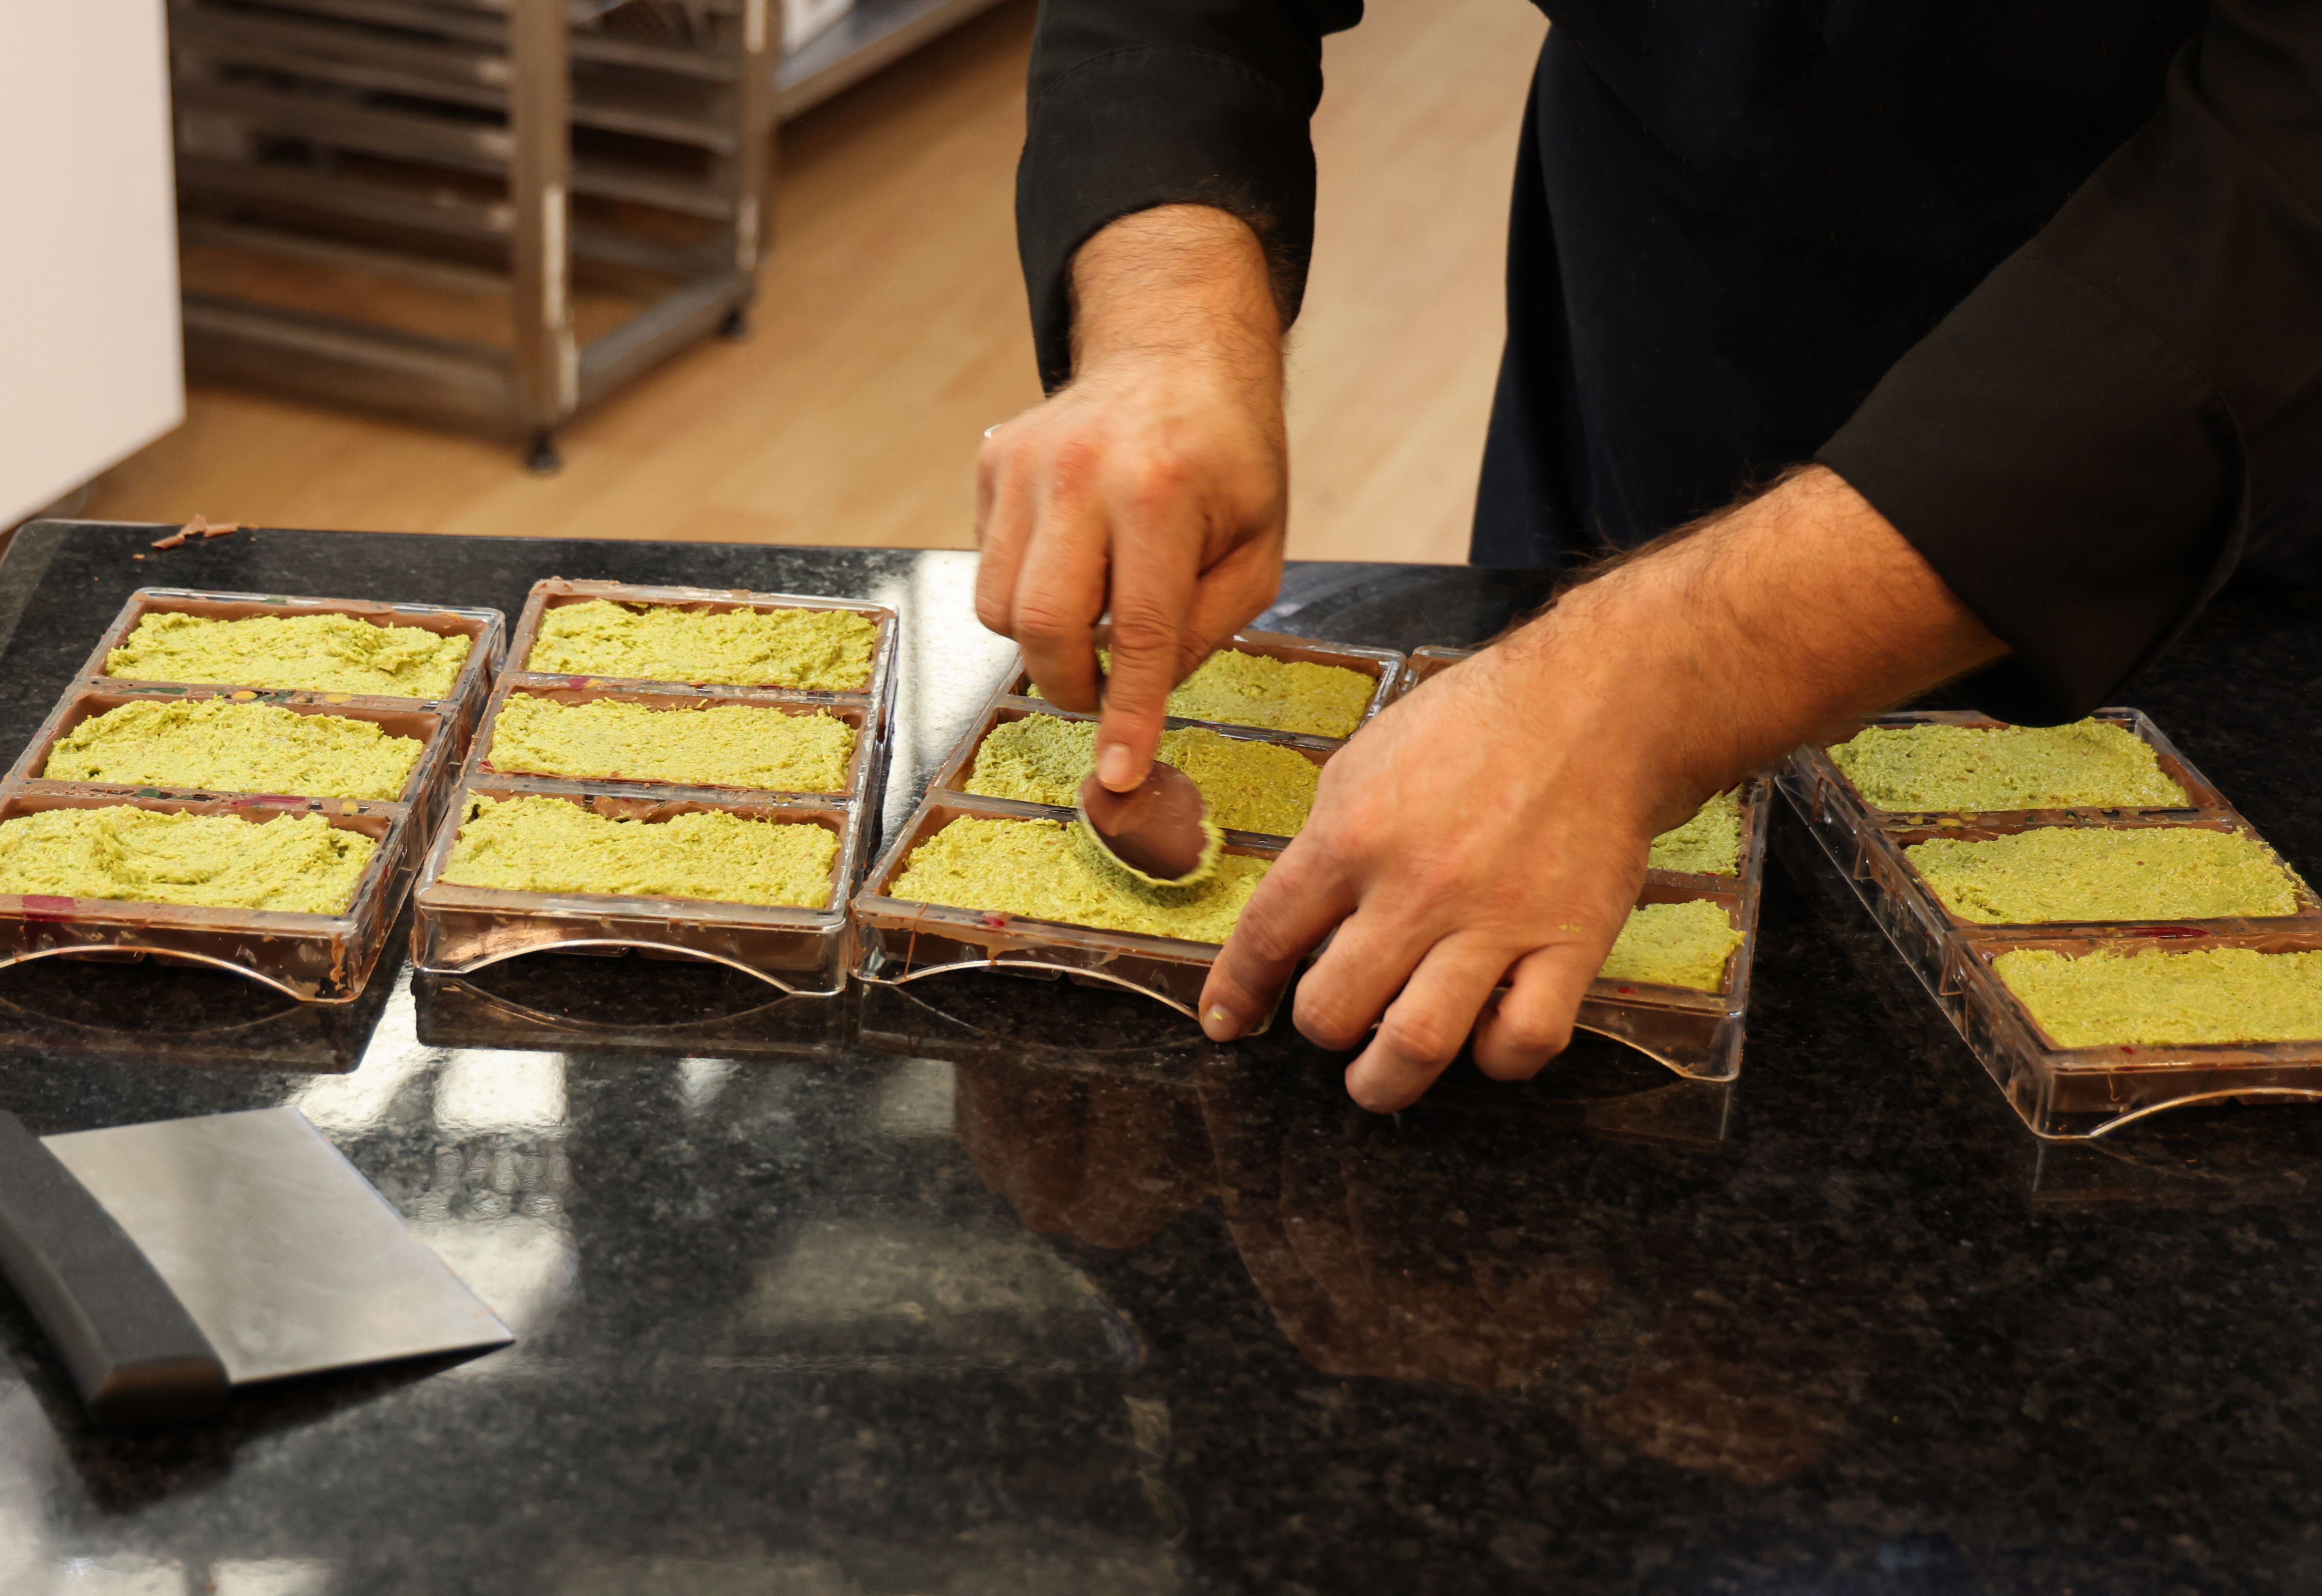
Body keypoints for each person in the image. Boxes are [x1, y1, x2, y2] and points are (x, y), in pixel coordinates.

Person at [971, 0, 2322, 1113]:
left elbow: (2283, 179)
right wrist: (1170, 318)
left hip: (2221, 441)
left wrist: (1640, 685)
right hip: (1664, 278)